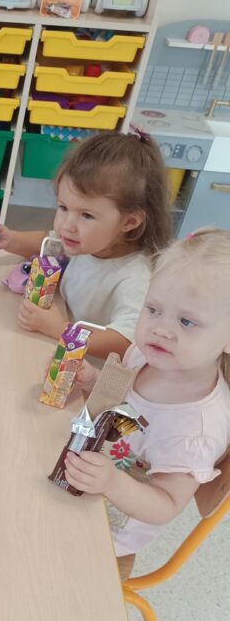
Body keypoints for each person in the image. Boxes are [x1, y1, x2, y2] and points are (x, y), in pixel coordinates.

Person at [62, 230, 230, 574]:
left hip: (105, 538)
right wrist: (92, 381)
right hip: (75, 476)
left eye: (186, 321)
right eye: (153, 309)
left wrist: (112, 483)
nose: (161, 329)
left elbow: (167, 505)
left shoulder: (196, 430)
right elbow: (121, 397)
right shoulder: (146, 353)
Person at [0, 130, 172, 359]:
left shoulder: (135, 278)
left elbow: (126, 342)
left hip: (82, 367)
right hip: (54, 336)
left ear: (129, 222)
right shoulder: (89, 241)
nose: (67, 225)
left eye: (87, 215)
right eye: (63, 207)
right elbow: (51, 242)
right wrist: (11, 240)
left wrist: (59, 329)